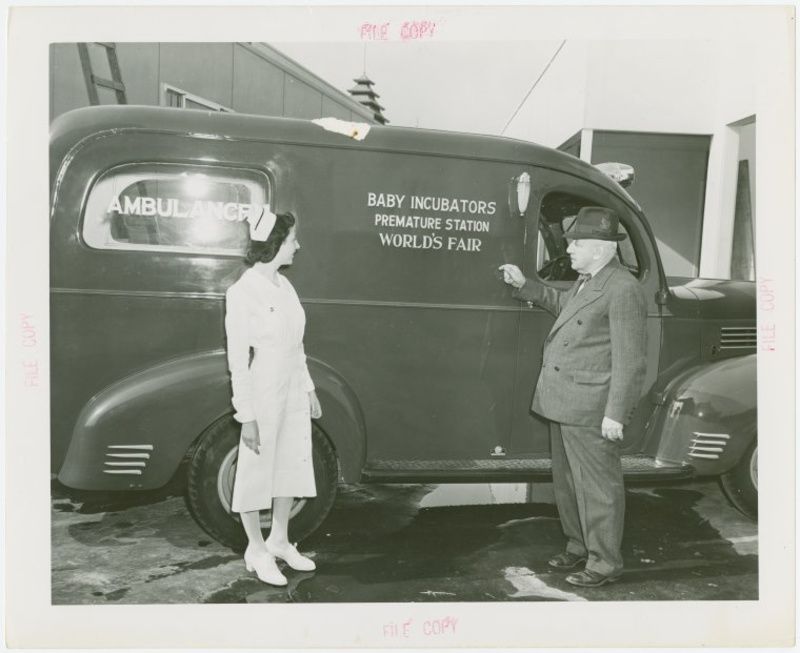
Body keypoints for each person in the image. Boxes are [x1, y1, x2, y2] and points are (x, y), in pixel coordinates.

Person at [499, 206, 647, 588]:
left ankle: (604, 563)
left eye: (576, 244)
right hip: (565, 400)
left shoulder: (622, 288)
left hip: (591, 406)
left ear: (599, 248)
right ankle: (578, 545)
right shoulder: (588, 280)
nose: (569, 250)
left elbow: (631, 360)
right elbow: (563, 306)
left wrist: (616, 414)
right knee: (567, 482)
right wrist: (524, 285)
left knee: (597, 487)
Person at [225, 210, 322, 586]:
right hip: (263, 387)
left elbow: (297, 346)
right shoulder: (242, 292)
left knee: (291, 463)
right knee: (256, 468)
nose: (298, 245)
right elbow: (237, 360)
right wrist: (246, 415)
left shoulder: (286, 286)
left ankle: (279, 539)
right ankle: (255, 548)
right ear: (276, 243)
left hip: (293, 387)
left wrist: (308, 387)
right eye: (293, 239)